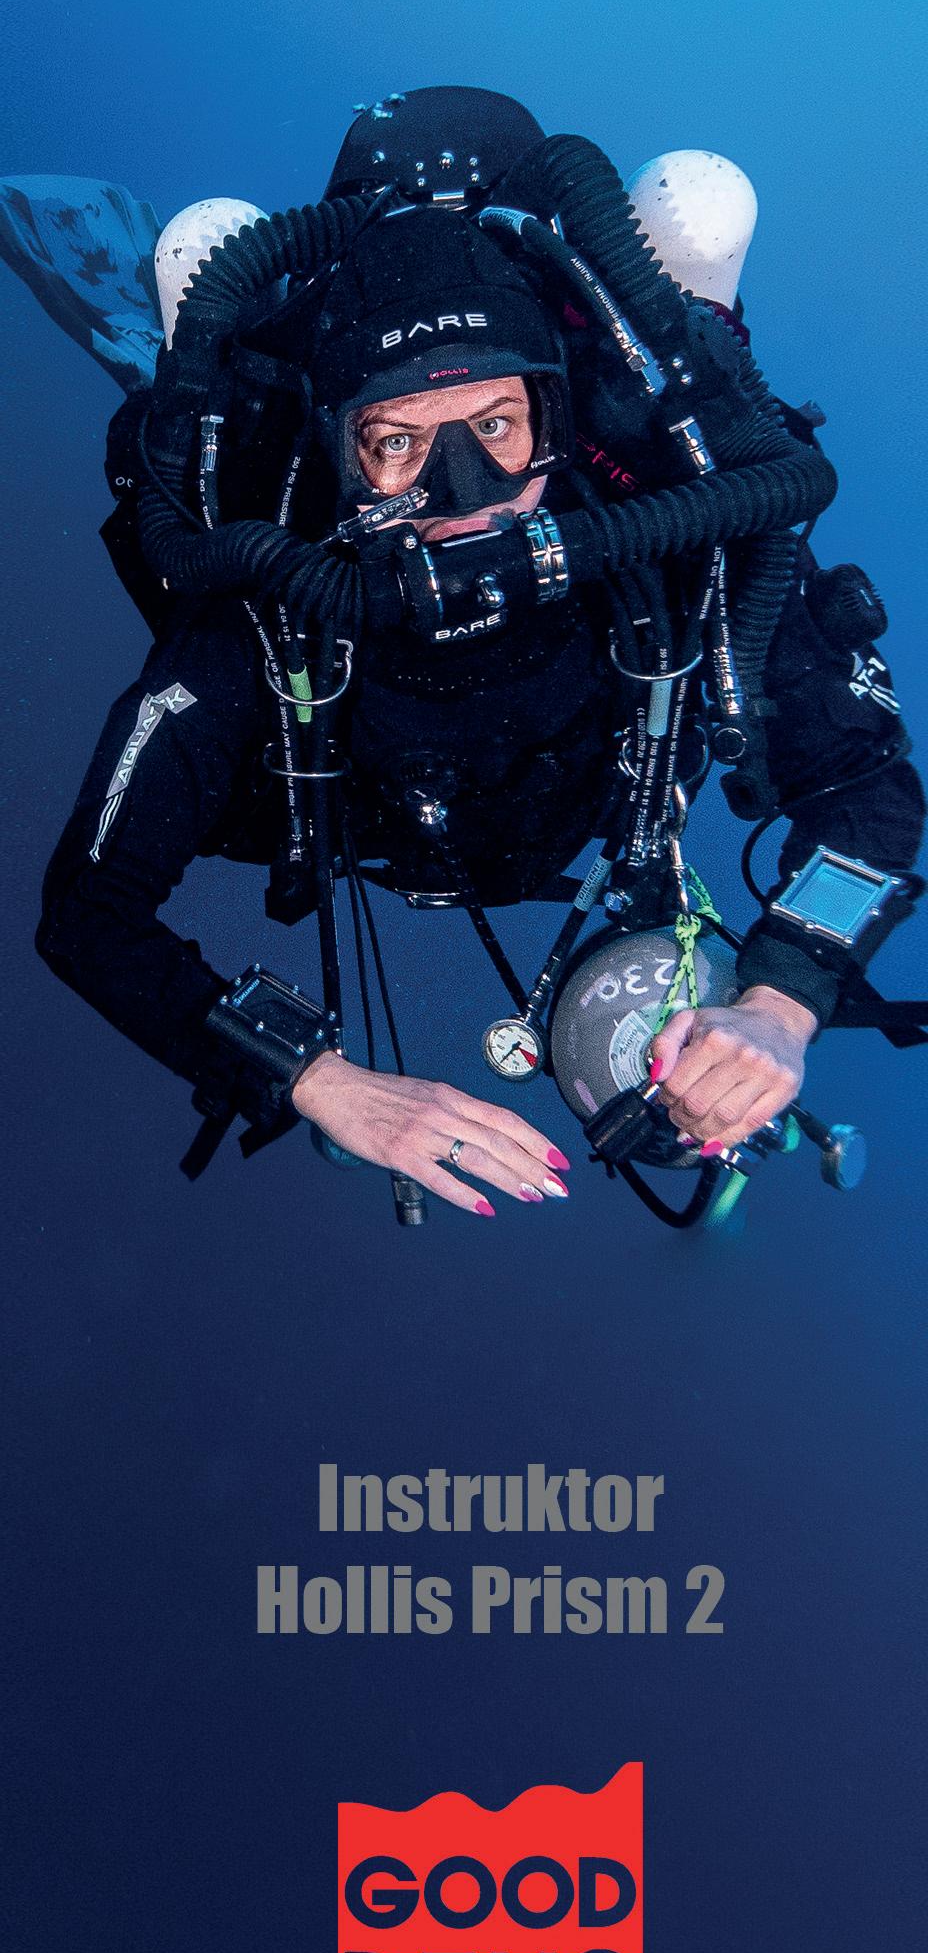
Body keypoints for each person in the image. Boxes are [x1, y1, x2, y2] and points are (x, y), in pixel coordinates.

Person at [30, 89, 926, 1223]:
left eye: (498, 427)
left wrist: (780, 1005)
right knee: (204, 322)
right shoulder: (269, 613)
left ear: (558, 418)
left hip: (577, 804)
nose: (462, 497)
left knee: (699, 207)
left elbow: (868, 795)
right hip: (351, 794)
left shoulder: (679, 547)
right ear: (341, 454)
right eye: (398, 443)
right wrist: (317, 1078)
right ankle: (185, 350)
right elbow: (89, 910)